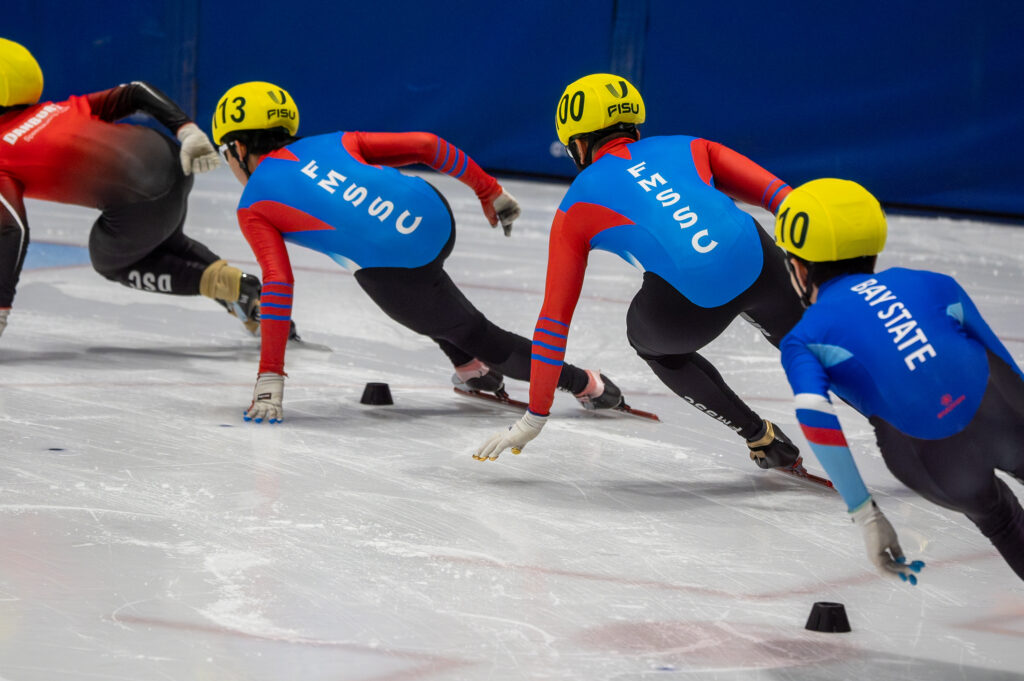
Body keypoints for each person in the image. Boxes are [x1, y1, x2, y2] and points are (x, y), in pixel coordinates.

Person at [210, 81, 627, 424]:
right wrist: (488, 190)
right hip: (433, 213)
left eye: (226, 154)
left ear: (238, 149)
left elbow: (279, 284)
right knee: (426, 296)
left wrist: (271, 375)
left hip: (395, 264)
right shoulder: (332, 142)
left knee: (462, 325)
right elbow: (427, 145)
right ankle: (471, 371)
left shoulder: (254, 204)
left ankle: (586, 384)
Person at [475, 73, 805, 465]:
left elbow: (554, 319)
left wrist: (536, 415)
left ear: (578, 145)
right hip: (759, 261)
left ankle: (761, 437)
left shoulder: (575, 206)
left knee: (651, 344)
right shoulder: (689, 146)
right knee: (814, 347)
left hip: (689, 304)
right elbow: (785, 200)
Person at [773, 178, 1024, 584]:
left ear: (799, 268)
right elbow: (1006, 365)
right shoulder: (933, 283)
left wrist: (865, 514)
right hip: (1007, 416)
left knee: (1003, 519)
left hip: (931, 458)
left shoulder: (804, 337)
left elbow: (816, 415)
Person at [0, 37, 262, 340]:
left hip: (140, 198)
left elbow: (11, 230)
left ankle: (224, 287)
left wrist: (2, 307)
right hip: (171, 158)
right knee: (159, 242)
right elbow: (136, 92)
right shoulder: (58, 109)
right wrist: (186, 129)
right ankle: (241, 293)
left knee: (109, 259)